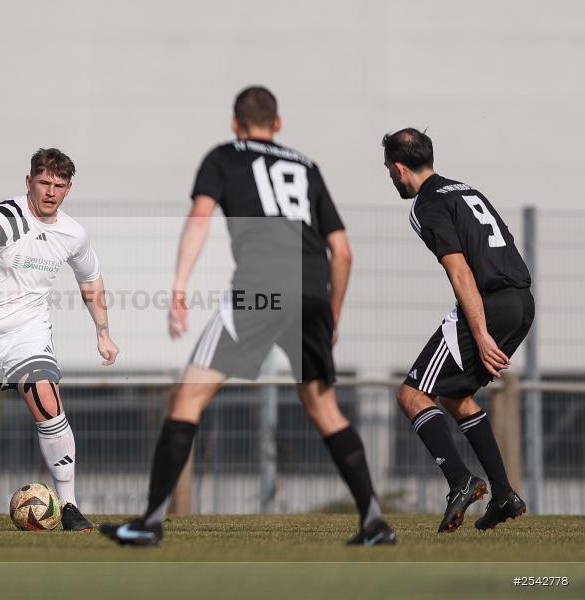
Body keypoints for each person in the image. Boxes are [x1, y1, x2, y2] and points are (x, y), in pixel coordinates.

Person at [101, 86, 394, 546]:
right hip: (313, 288)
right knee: (324, 408)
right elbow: (344, 252)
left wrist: (179, 286)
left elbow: (200, 218)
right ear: (278, 123)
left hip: (262, 288)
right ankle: (374, 521)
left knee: (188, 400)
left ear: (236, 123)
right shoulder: (307, 166)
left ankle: (149, 523)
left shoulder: (224, 156)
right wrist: (332, 312)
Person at [0, 147, 118, 532]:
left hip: (27, 332)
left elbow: (90, 280)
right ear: (28, 181)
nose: (50, 191)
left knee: (46, 400)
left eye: (59, 185)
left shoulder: (72, 234)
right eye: (44, 182)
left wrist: (103, 331)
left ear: (69, 188)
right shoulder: (2, 218)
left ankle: (68, 505)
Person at [381, 127, 532, 532]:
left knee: (411, 394)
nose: (391, 179)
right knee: (454, 394)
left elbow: (460, 269)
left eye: (388, 171)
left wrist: (481, 334)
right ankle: (502, 494)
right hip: (521, 301)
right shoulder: (467, 190)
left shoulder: (425, 204)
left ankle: (461, 481)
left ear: (399, 168)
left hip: (490, 303)